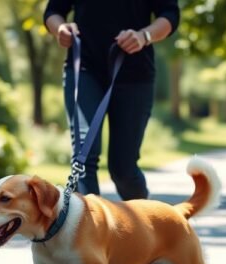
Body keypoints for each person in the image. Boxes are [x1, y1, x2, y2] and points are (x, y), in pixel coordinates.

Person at [44, 0, 180, 200]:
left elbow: (170, 14)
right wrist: (60, 29)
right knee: (83, 158)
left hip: (135, 75)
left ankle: (147, 222)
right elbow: (54, 11)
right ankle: (91, 229)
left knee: (123, 169)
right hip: (84, 69)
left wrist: (144, 36)